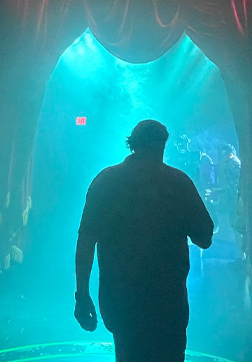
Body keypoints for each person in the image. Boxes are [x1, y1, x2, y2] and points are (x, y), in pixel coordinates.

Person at [74, 120, 214, 362]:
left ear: (133, 144)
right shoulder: (178, 182)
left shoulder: (105, 180)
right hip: (168, 302)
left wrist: (82, 295)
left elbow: (86, 241)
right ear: (162, 146)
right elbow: (205, 237)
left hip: (120, 301)